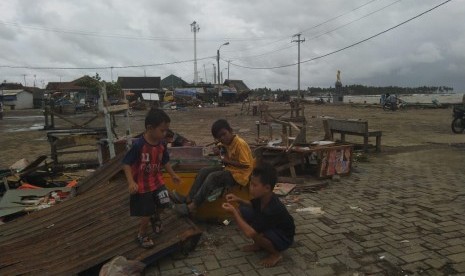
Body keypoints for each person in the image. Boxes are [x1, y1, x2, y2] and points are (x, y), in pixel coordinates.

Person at [122, 108, 181, 248]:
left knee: (164, 201)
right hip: (143, 185)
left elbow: (165, 161)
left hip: (157, 181)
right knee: (146, 211)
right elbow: (126, 163)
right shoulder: (138, 145)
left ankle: (156, 217)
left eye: (166, 130)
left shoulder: (161, 145)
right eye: (162, 130)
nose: (165, 133)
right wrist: (131, 182)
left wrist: (173, 175)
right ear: (150, 128)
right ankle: (141, 234)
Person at [173, 119, 254, 215]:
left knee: (213, 177)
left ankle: (192, 207)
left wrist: (226, 160)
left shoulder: (240, 143)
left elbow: (246, 165)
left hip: (240, 176)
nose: (222, 138)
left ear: (231, 131)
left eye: (224, 134)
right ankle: (188, 198)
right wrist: (218, 150)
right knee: (204, 171)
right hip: (231, 170)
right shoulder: (226, 142)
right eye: (219, 137)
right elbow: (221, 147)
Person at [222, 162, 295, 267]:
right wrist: (238, 199)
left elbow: (249, 233)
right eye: (251, 183)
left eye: (254, 185)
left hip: (284, 238)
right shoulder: (263, 197)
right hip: (272, 227)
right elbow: (251, 204)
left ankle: (276, 254)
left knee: (256, 232)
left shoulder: (273, 208)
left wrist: (234, 213)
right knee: (243, 209)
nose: (251, 187)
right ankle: (259, 245)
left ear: (267, 188)